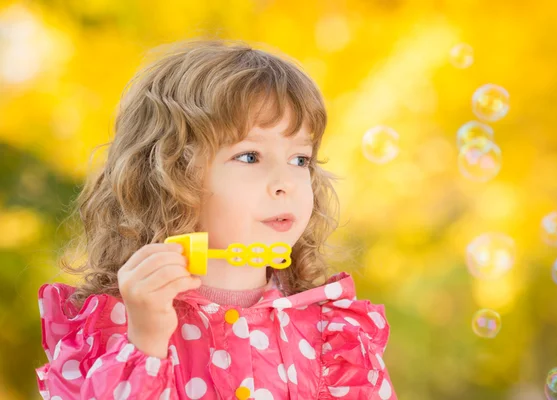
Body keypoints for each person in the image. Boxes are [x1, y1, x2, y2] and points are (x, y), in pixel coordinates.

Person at [35, 38, 397, 400]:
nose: (286, 182)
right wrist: (145, 345)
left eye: (300, 159)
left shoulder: (333, 337)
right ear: (169, 174)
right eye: (250, 156)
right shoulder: (121, 327)